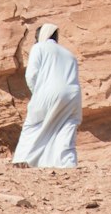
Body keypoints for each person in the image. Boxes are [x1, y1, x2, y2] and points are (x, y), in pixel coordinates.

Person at [12, 23, 82, 168]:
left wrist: (37, 93)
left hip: (48, 91)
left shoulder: (39, 48)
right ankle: (67, 163)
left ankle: (23, 160)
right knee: (66, 126)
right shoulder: (70, 54)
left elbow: (31, 74)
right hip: (73, 94)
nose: (36, 40)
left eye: (36, 37)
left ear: (42, 36)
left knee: (33, 123)